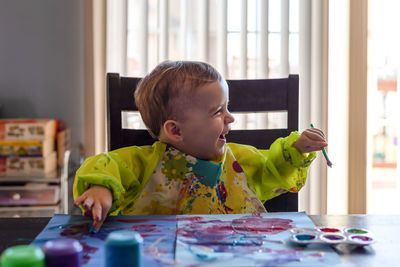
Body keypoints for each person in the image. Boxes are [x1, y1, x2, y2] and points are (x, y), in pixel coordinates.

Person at [74, 61, 328, 231]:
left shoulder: (239, 161)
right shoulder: (144, 163)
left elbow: (273, 169)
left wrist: (297, 148)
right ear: (175, 130)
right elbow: (106, 164)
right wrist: (100, 188)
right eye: (218, 111)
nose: (230, 118)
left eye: (227, 107)